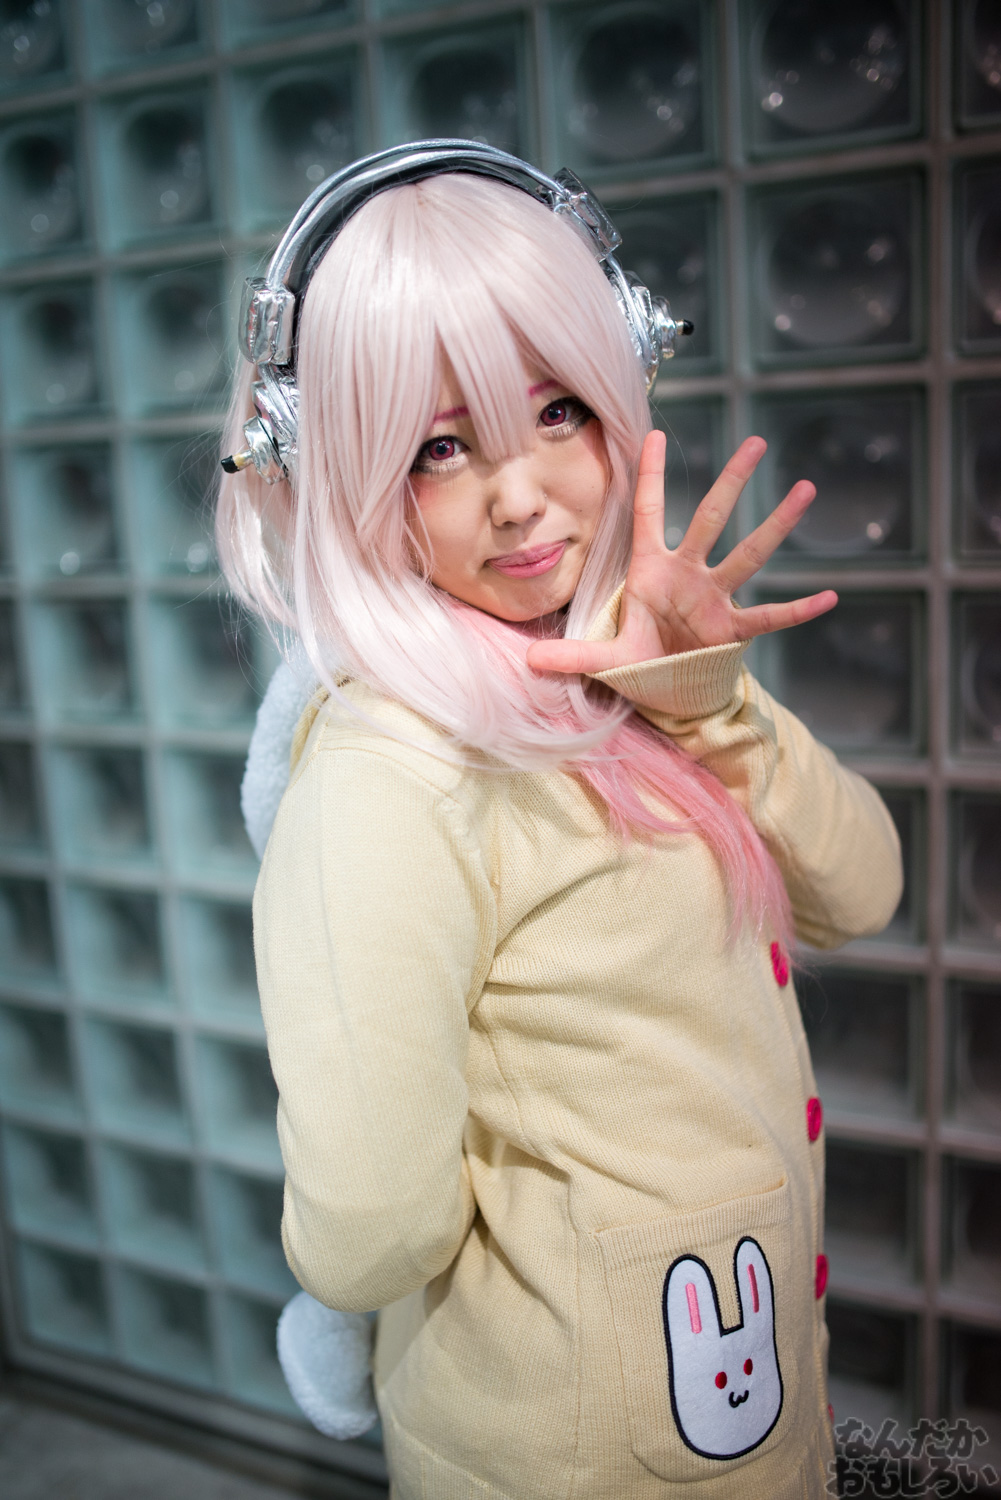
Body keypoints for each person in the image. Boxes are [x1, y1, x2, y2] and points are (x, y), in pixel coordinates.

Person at [216, 149, 902, 1500]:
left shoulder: (628, 659)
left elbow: (861, 889)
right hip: (563, 1446)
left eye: (557, 411)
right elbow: (367, 1229)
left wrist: (707, 699)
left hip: (739, 1402)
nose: (521, 494)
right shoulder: (388, 774)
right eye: (438, 447)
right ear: (337, 471)